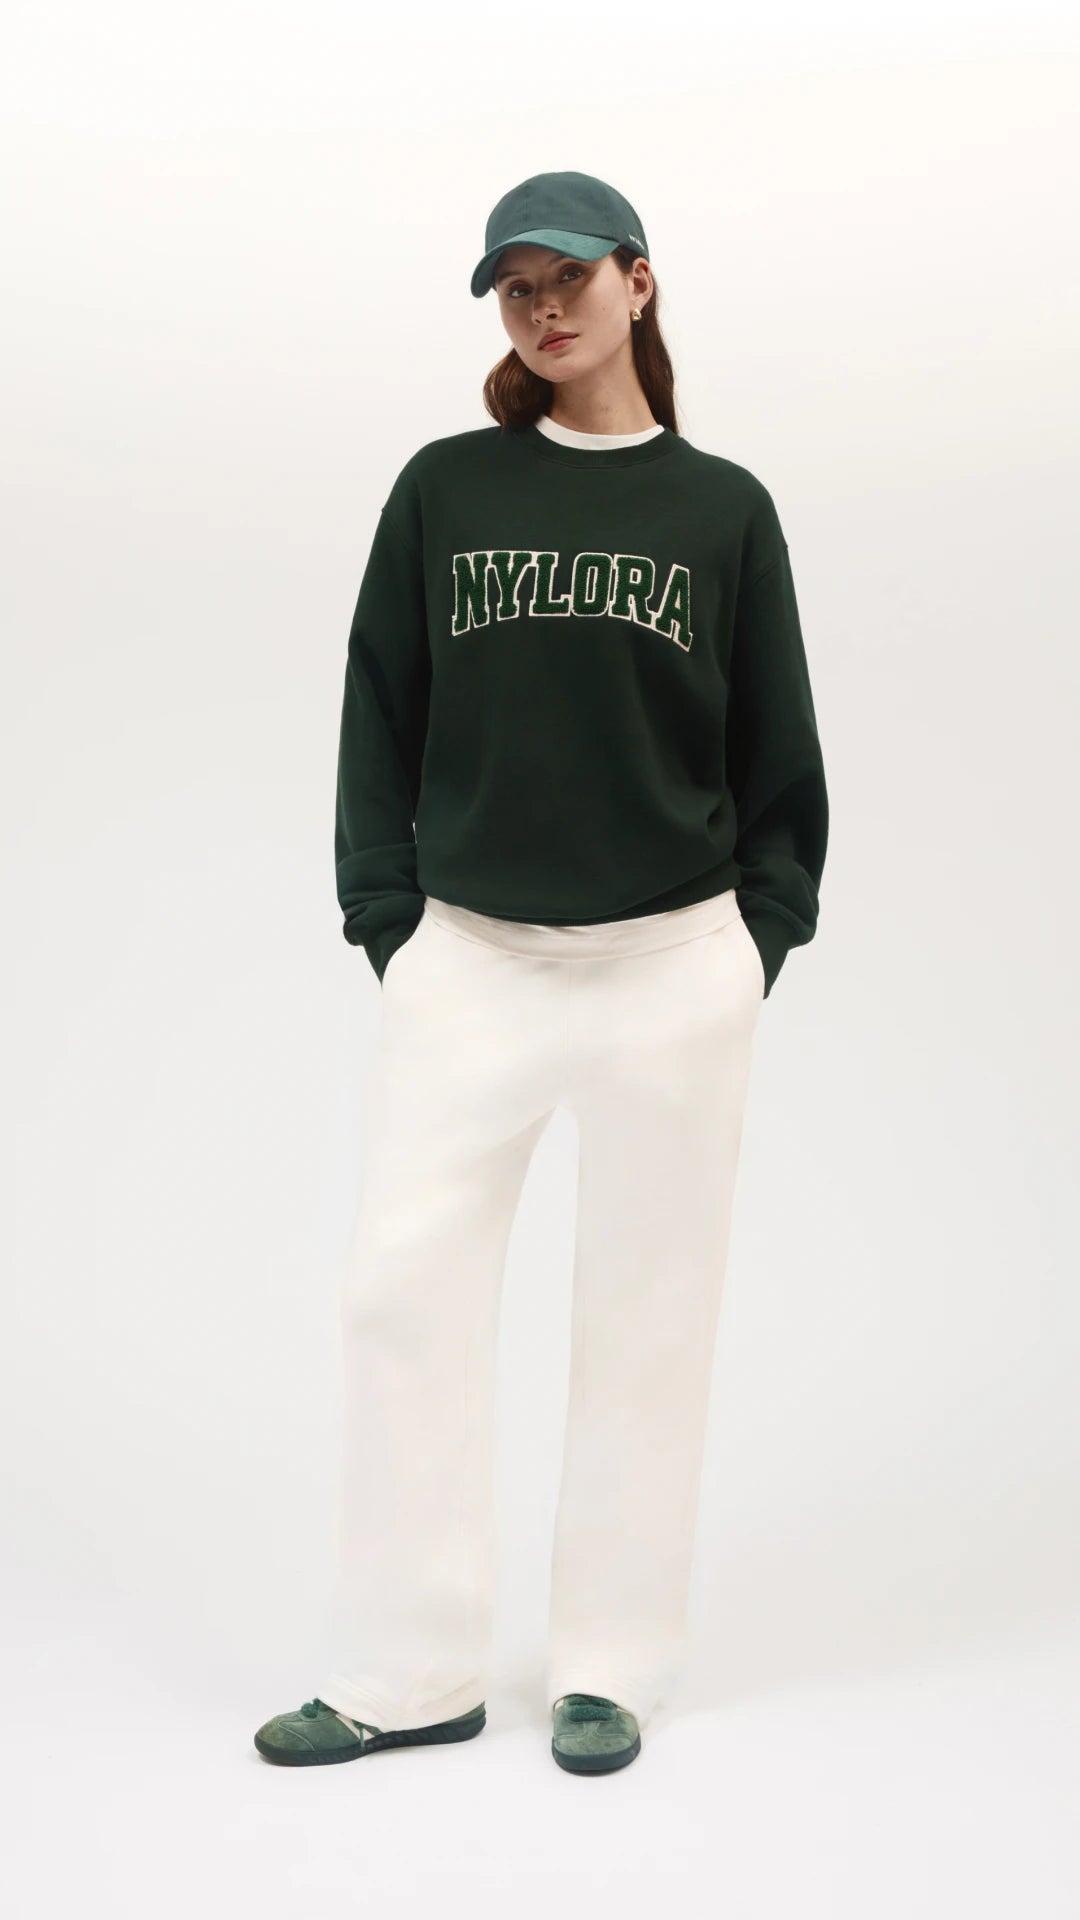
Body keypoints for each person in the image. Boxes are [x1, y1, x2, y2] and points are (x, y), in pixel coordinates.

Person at [254, 170, 829, 1777]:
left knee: (649, 1315)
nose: (543, 307)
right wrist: (389, 916)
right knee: (400, 1295)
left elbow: (779, 744)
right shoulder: (445, 489)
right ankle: (408, 1669)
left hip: (672, 963)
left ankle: (610, 1665)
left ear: (639, 281)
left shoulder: (722, 509)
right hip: (473, 959)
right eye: (514, 287)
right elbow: (379, 701)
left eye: (567, 275)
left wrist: (756, 939)